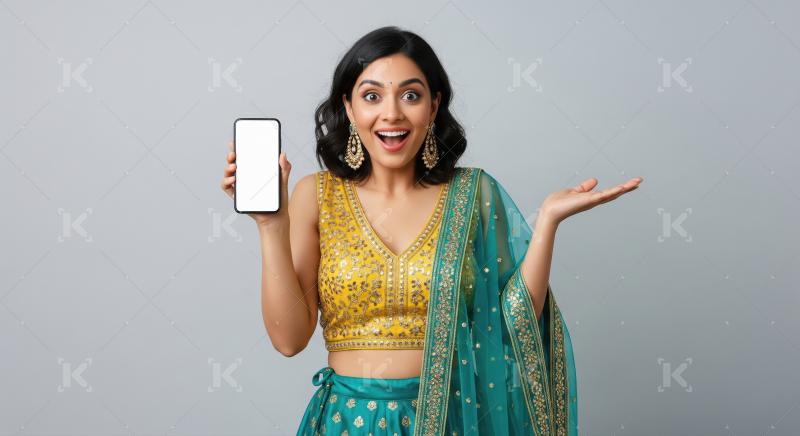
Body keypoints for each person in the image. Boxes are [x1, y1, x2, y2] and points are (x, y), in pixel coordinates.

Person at [221, 26, 641, 436]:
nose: (392, 113)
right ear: (348, 107)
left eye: (410, 95)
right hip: (348, 423)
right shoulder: (316, 194)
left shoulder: (474, 194)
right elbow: (289, 339)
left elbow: (512, 323)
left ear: (434, 105)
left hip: (452, 420)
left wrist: (547, 221)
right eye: (371, 96)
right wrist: (271, 225)